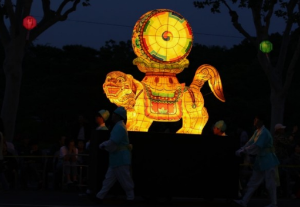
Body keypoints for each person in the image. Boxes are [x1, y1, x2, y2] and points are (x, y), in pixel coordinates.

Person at [234, 113, 280, 207]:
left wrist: (243, 151)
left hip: (268, 160)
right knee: (253, 182)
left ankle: (274, 203)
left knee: (270, 183)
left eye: (256, 119)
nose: (254, 121)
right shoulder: (258, 132)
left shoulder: (264, 133)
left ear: (261, 121)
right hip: (261, 161)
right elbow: (250, 143)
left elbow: (256, 146)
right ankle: (244, 201)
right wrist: (242, 149)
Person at [94, 106, 134, 204]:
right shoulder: (120, 126)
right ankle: (99, 196)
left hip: (120, 158)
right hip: (118, 158)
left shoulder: (119, 127)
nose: (112, 116)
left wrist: (102, 145)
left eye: (114, 114)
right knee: (109, 179)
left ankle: (130, 198)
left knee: (125, 180)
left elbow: (113, 142)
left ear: (118, 116)